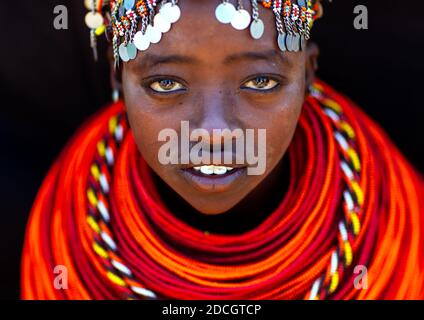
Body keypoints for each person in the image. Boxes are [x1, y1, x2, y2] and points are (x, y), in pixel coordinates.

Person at [21, 0, 424, 300]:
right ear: (118, 81)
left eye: (261, 82)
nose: (213, 132)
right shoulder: (69, 228)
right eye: (165, 84)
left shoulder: (386, 210)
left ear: (307, 76)